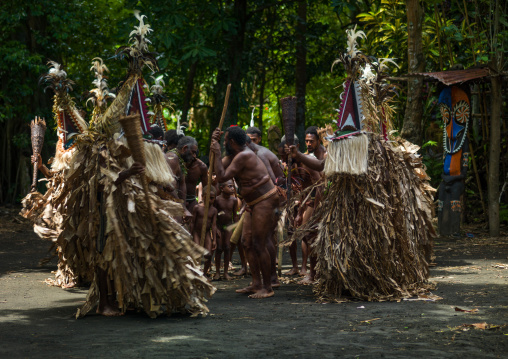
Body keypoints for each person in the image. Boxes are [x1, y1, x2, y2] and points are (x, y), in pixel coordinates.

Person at [210, 126, 279, 298]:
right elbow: (214, 171)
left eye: (225, 140)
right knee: (246, 241)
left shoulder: (245, 155)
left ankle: (267, 287)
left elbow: (222, 177)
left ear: (231, 142)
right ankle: (256, 284)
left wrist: (217, 152)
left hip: (265, 199)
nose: (224, 143)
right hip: (252, 202)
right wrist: (214, 147)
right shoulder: (234, 156)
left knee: (259, 243)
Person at [165, 136, 198, 220]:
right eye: (193, 152)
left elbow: (182, 185)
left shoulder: (181, 161)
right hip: (167, 207)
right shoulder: (172, 158)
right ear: (185, 148)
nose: (194, 156)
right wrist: (183, 208)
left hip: (175, 206)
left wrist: (184, 208)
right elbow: (169, 186)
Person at [190, 186, 218, 279]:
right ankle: (195, 272)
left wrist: (214, 239)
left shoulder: (214, 210)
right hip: (197, 233)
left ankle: (205, 273)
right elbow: (192, 222)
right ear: (203, 196)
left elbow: (213, 225)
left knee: (208, 254)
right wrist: (190, 235)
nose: (210, 200)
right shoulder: (197, 208)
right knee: (197, 252)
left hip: (206, 233)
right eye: (208, 197)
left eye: (212, 198)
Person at [213, 180, 238, 281]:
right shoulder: (217, 200)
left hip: (229, 226)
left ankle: (226, 272)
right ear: (222, 188)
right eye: (229, 186)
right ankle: (217, 272)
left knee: (227, 247)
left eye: (233, 186)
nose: (232, 188)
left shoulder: (234, 200)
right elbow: (214, 214)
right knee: (219, 248)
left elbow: (235, 215)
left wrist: (236, 227)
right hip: (219, 226)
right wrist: (214, 228)